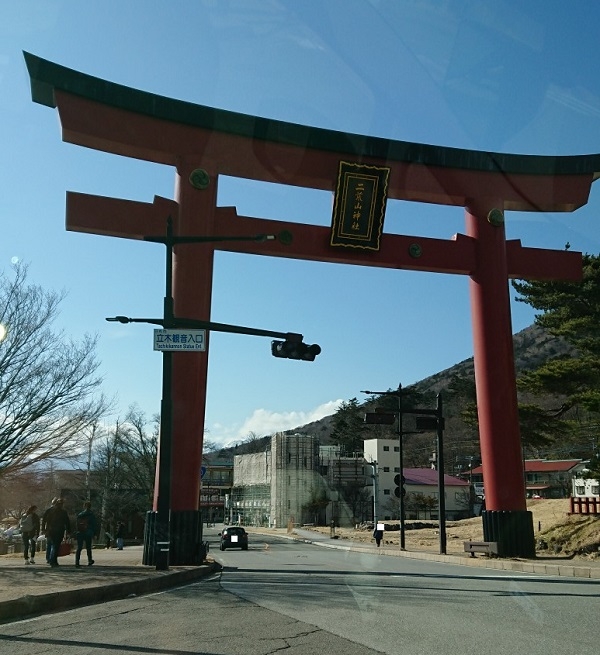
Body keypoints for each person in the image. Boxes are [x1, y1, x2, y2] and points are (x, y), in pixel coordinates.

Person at [44, 497, 71, 566]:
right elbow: (67, 522)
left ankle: (52, 559)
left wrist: (44, 530)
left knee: (52, 545)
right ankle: (53, 560)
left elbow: (45, 520)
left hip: (51, 530)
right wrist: (68, 531)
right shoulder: (63, 512)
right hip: (59, 530)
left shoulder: (50, 511)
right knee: (56, 546)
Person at [74, 501, 97, 567]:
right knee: (88, 547)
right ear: (90, 506)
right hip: (88, 532)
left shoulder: (80, 514)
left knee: (79, 548)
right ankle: (90, 560)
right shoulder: (91, 515)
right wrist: (94, 533)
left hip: (80, 532)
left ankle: (77, 562)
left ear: (84, 506)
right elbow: (94, 525)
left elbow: (77, 524)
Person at [41, 498, 58, 564]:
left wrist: (43, 529)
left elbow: (44, 521)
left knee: (49, 544)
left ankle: (48, 558)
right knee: (54, 545)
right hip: (55, 530)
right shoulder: (58, 511)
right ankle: (52, 558)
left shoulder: (48, 511)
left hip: (49, 530)